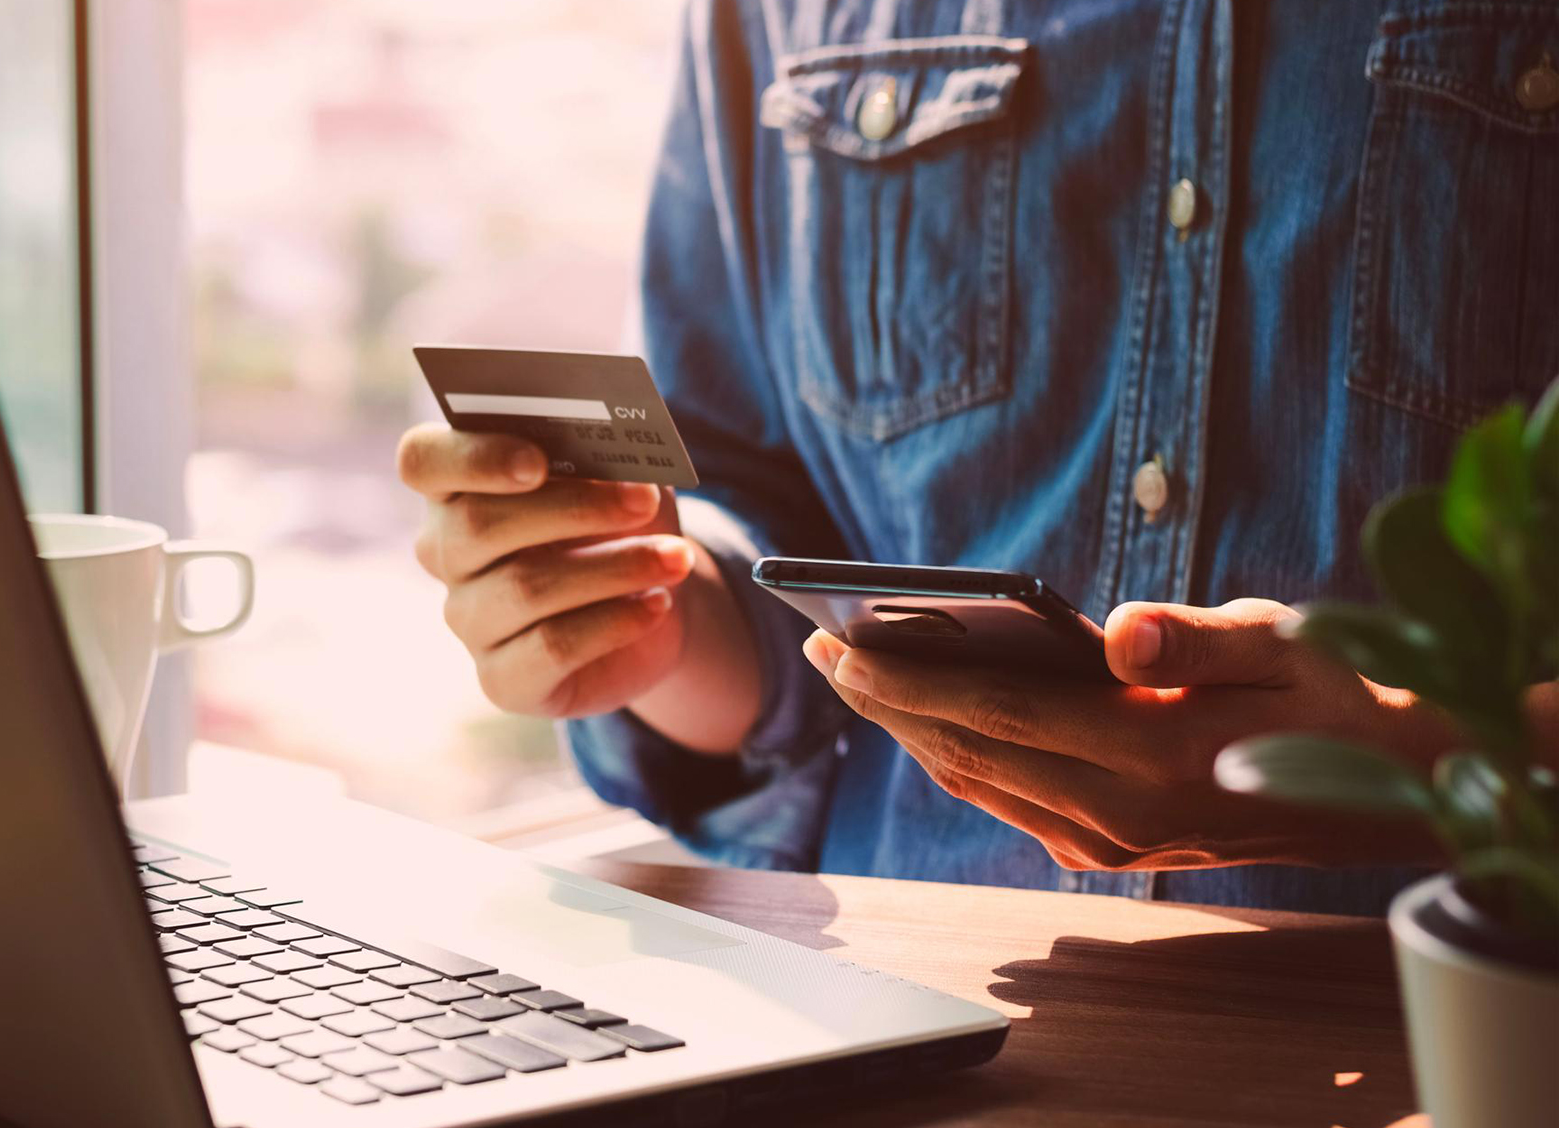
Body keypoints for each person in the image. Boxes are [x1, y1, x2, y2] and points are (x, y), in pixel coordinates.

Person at [397, 0, 1559, 913]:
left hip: (1468, 1044)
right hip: (902, 1024)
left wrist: (1420, 763)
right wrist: (643, 615)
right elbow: (753, 515)